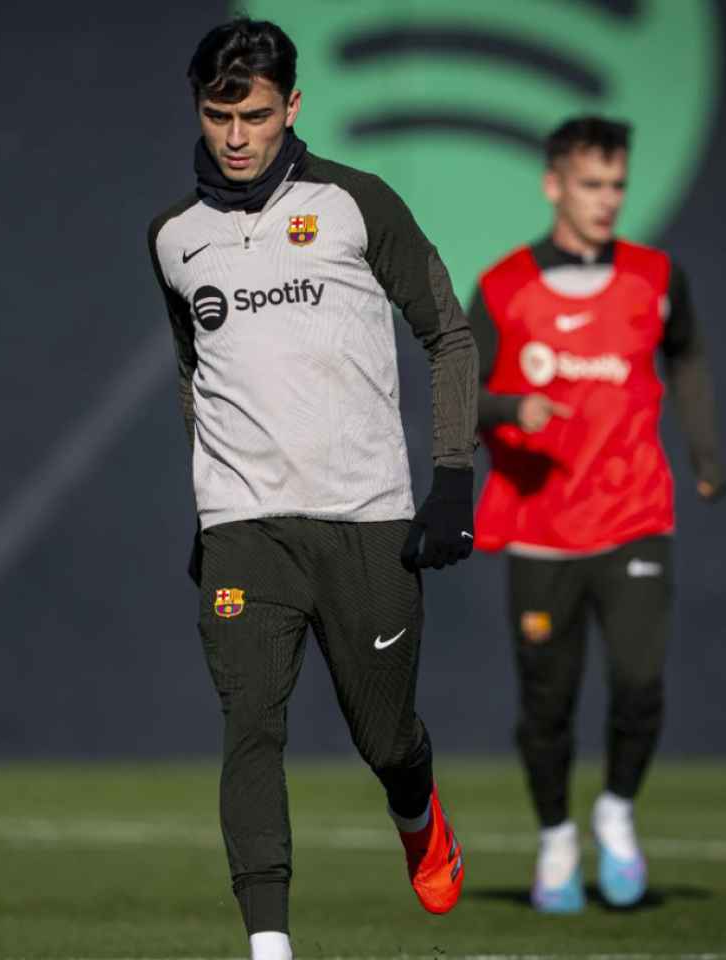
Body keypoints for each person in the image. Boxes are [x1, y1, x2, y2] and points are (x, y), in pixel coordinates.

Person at [147, 18, 478, 960]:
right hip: (246, 529)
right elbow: (194, 372)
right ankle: (269, 947)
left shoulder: (358, 203)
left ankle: (417, 806)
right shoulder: (173, 238)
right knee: (250, 726)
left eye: (254, 114)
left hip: (366, 523)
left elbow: (449, 333)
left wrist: (452, 480)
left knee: (386, 740)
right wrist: (206, 507)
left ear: (292, 106)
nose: (237, 136)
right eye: (219, 116)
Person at [467, 116, 726, 912]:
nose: (608, 200)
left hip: (635, 515)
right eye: (591, 184)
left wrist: (705, 452)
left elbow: (684, 352)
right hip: (542, 528)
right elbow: (462, 396)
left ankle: (615, 813)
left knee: (640, 683)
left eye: (617, 184)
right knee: (546, 702)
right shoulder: (504, 286)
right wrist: (513, 406)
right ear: (554, 185)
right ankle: (554, 839)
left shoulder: (656, 276)